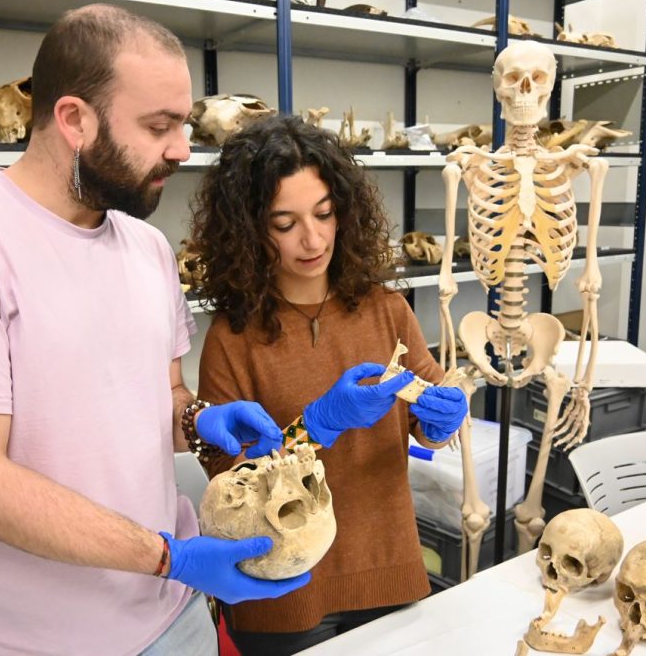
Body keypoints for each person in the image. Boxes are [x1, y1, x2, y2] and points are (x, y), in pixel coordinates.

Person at [0, 5, 310, 656]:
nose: (182, 148)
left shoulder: (146, 248)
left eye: (182, 123)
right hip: (33, 643)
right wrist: (164, 555)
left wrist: (198, 418)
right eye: (159, 126)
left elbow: (162, 395)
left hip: (173, 618)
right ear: (73, 119)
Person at [189, 115, 470, 655]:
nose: (313, 239)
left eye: (323, 214)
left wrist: (442, 418)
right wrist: (315, 426)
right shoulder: (234, 337)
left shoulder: (387, 310)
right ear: (250, 229)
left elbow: (427, 418)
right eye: (284, 223)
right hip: (284, 594)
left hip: (386, 567)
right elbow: (232, 487)